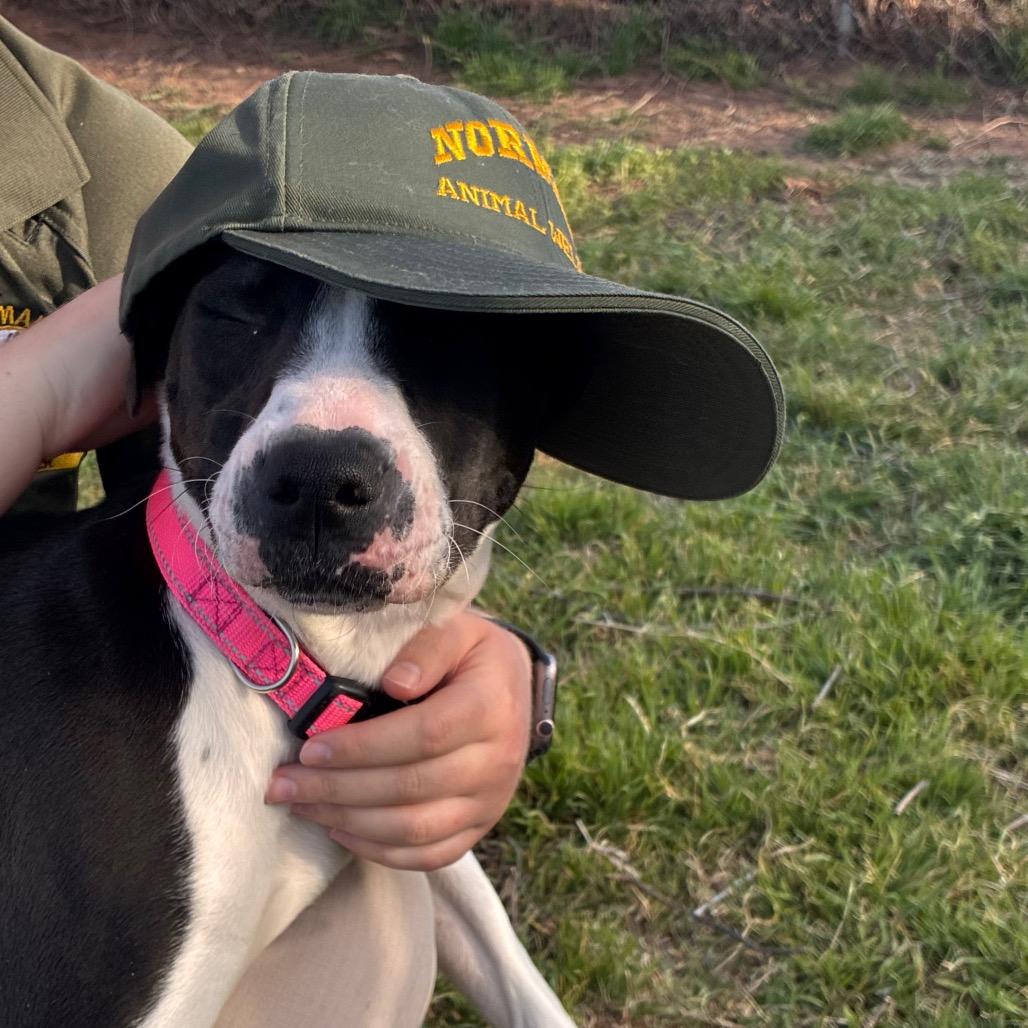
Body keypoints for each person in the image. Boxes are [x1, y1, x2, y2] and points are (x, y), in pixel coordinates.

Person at [0, 14, 541, 1025]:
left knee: (369, 917)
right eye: (243, 314)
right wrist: (29, 388)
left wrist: (488, 669)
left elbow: (181, 553)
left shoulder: (115, 171)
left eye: (443, 329)